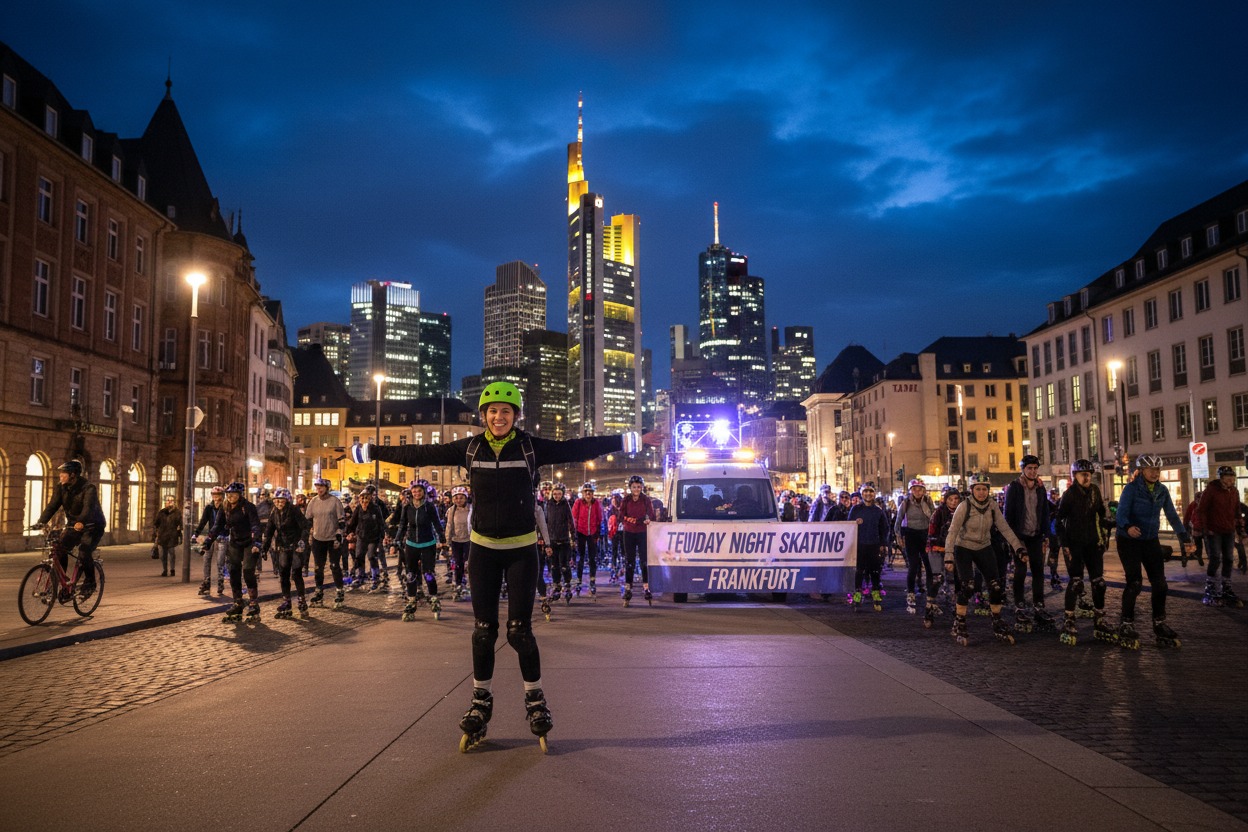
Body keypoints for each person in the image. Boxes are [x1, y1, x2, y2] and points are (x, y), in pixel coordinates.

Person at [350, 380, 657, 751]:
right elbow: (419, 453)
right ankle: (481, 703)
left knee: (519, 632)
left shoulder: (529, 446)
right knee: (483, 631)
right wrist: (366, 451)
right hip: (483, 550)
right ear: (483, 416)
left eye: (506, 411)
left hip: (521, 549)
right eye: (493, 411)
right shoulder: (470, 448)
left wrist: (631, 439)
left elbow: (578, 448)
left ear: (516, 416)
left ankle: (535, 701)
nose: (499, 417)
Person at [1114, 453, 1195, 649]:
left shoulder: (1162, 490)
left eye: (1158, 470)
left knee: (1160, 584)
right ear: (1142, 471)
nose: (1155, 473)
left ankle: (1159, 623)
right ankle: (1126, 623)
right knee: (1134, 583)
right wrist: (1127, 527)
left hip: (1150, 540)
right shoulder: (1131, 490)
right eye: (1151, 470)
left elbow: (1172, 516)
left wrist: (1185, 538)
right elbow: (1120, 514)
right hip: (1129, 540)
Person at [945, 473, 1027, 646]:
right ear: (972, 490)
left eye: (984, 489)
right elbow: (952, 531)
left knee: (996, 586)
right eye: (978, 489)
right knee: (968, 586)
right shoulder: (963, 506)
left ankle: (997, 620)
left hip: (984, 546)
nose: (981, 492)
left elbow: (1004, 528)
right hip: (964, 547)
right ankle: (959, 620)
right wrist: (949, 556)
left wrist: (1018, 547)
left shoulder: (992, 506)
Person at [1053, 459, 1116, 645]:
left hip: (1092, 543)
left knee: (1099, 583)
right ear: (1075, 477)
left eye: (1089, 473)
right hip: (1075, 544)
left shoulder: (1095, 492)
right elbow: (1058, 521)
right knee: (1076, 582)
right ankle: (1069, 619)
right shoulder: (1069, 495)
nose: (1087, 476)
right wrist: (1064, 544)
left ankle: (1099, 618)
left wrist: (1112, 525)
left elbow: (1102, 515)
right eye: (1083, 474)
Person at [33, 460, 105, 599]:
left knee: (84, 552)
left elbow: (88, 508)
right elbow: (52, 506)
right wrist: (40, 522)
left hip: (92, 526)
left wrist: (81, 521)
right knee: (59, 549)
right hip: (74, 525)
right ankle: (65, 583)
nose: (60, 476)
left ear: (73, 475)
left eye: (63, 473)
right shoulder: (61, 488)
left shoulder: (88, 488)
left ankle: (90, 583)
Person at [1004, 455, 1055, 633]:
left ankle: (1038, 604)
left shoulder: (1041, 488)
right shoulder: (1015, 487)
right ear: (1023, 470)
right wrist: (1013, 540)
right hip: (1019, 536)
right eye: (1029, 468)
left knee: (1038, 570)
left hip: (1035, 535)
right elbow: (1008, 515)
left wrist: (1046, 534)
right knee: (1020, 569)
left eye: (1035, 468)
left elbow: (1044, 512)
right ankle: (1019, 604)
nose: (1032, 471)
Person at [208, 482, 263, 623]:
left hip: (249, 542)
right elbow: (217, 526)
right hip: (235, 542)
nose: (230, 496)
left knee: (248, 571)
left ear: (240, 495)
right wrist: (208, 542)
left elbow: (256, 525)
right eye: (228, 494)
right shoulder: (225, 507)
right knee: (233, 571)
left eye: (233, 494)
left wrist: (257, 542)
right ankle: (238, 602)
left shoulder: (248, 507)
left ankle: (253, 603)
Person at [394, 480, 446, 620]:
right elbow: (402, 525)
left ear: (424, 492)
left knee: (428, 573)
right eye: (414, 491)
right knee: (410, 574)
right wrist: (397, 540)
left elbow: (436, 523)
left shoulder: (429, 506)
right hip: (411, 544)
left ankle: (434, 598)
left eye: (419, 491)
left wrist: (442, 539)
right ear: (411, 492)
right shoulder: (407, 507)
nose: (417, 493)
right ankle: (411, 601)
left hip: (428, 543)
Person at [1196, 466, 1243, 608]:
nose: (1231, 480)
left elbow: (1237, 510)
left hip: (1228, 530)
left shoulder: (1234, 491)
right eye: (1228, 477)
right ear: (1221, 478)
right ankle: (1210, 588)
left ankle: (1226, 587)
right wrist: (1205, 529)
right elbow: (1202, 510)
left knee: (1229, 559)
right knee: (1215, 558)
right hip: (1213, 530)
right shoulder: (1211, 490)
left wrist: (1240, 528)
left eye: (1232, 477)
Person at [263, 488, 310, 618]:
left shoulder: (294, 510)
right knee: (283, 575)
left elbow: (305, 526)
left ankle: (301, 600)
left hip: (295, 546)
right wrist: (264, 548)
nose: (279, 503)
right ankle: (287, 601)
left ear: (287, 500)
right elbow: (269, 531)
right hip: (283, 546)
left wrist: (302, 541)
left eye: (281, 500)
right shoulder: (274, 513)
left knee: (296, 573)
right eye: (277, 500)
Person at [893, 478, 934, 615]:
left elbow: (934, 518)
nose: (917, 492)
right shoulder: (906, 503)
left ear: (924, 490)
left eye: (920, 489)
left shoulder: (928, 501)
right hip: (911, 535)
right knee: (914, 565)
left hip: (925, 535)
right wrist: (898, 536)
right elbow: (898, 520)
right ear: (911, 491)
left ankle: (930, 594)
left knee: (929, 566)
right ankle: (910, 592)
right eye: (915, 489)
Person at [304, 478, 346, 609]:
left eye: (321, 487)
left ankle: (339, 590)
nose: (319, 489)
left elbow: (342, 521)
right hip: (318, 538)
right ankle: (319, 591)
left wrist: (339, 535)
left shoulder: (335, 502)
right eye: (317, 487)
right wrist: (309, 532)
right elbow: (308, 519)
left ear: (327, 488)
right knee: (318, 567)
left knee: (334, 565)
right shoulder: (313, 502)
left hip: (332, 538)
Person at [848, 483, 889, 611]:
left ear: (874, 494)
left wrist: (883, 544)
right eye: (865, 491)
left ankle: (876, 595)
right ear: (861, 493)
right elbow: (849, 527)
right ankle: (857, 595)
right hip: (859, 545)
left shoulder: (878, 511)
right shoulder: (855, 510)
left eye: (871, 492)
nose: (868, 494)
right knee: (859, 572)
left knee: (875, 572)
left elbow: (884, 528)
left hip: (874, 545)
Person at [923, 486, 961, 627]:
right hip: (938, 548)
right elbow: (932, 531)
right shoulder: (938, 513)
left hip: (956, 549)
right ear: (945, 500)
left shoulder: (962, 512)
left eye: (956, 499)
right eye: (950, 499)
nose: (953, 502)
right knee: (937, 579)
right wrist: (934, 545)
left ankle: (958, 609)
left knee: (958, 579)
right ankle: (929, 608)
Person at [619, 474, 657, 607]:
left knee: (644, 561)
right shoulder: (626, 500)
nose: (636, 489)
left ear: (642, 488)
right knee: (629, 561)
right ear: (630, 488)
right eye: (634, 487)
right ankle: (628, 586)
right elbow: (621, 514)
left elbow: (651, 514)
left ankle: (646, 586)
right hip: (629, 532)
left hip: (642, 532)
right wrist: (628, 519)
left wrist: (647, 519)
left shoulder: (645, 499)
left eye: (638, 487)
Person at [346, 485, 388, 593]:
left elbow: (381, 523)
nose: (364, 500)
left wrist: (382, 536)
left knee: (371, 556)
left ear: (370, 498)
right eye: (362, 498)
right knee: (359, 556)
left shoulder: (375, 508)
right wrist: (348, 532)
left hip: (373, 537)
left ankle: (375, 577)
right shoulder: (359, 508)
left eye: (366, 498)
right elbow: (353, 522)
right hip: (361, 536)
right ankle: (360, 576)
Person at [543, 482, 574, 603]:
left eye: (559, 494)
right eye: (554, 494)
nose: (556, 496)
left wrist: (573, 537)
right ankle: (556, 584)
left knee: (564, 565)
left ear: (563, 494)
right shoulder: (548, 505)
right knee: (554, 565)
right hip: (552, 540)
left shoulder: (565, 505)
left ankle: (567, 583)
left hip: (564, 539)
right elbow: (545, 521)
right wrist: (545, 540)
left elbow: (570, 521)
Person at [194, 486, 228, 595]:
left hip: (222, 537)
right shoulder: (209, 507)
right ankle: (206, 582)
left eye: (218, 495)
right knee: (206, 559)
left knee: (220, 561)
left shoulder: (226, 507)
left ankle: (220, 582)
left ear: (222, 496)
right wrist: (196, 534)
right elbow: (203, 521)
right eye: (214, 495)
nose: (216, 497)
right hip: (210, 537)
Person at [571, 483, 604, 595]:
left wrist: (598, 533)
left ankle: (592, 579)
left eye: (590, 492)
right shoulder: (578, 503)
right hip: (581, 532)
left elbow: (600, 518)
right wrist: (574, 533)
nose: (588, 494)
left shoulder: (596, 504)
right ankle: (578, 580)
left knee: (592, 558)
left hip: (592, 533)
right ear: (583, 493)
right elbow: (574, 517)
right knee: (580, 558)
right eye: (586, 492)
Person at [444, 486, 472, 600]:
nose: (458, 500)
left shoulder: (471, 509)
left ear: (465, 498)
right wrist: (447, 540)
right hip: (456, 540)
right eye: (456, 498)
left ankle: (472, 584)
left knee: (469, 564)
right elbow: (449, 525)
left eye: (461, 498)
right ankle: (459, 584)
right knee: (458, 563)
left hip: (469, 540)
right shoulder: (451, 510)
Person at [152, 495, 183, 577]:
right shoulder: (161, 512)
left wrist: (179, 535)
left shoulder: (177, 512)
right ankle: (165, 570)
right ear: (165, 502)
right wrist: (155, 535)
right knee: (163, 555)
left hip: (172, 536)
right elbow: (156, 524)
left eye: (172, 500)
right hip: (162, 536)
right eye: (168, 500)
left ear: (174, 502)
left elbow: (180, 524)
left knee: (172, 553)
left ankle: (172, 569)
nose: (170, 502)